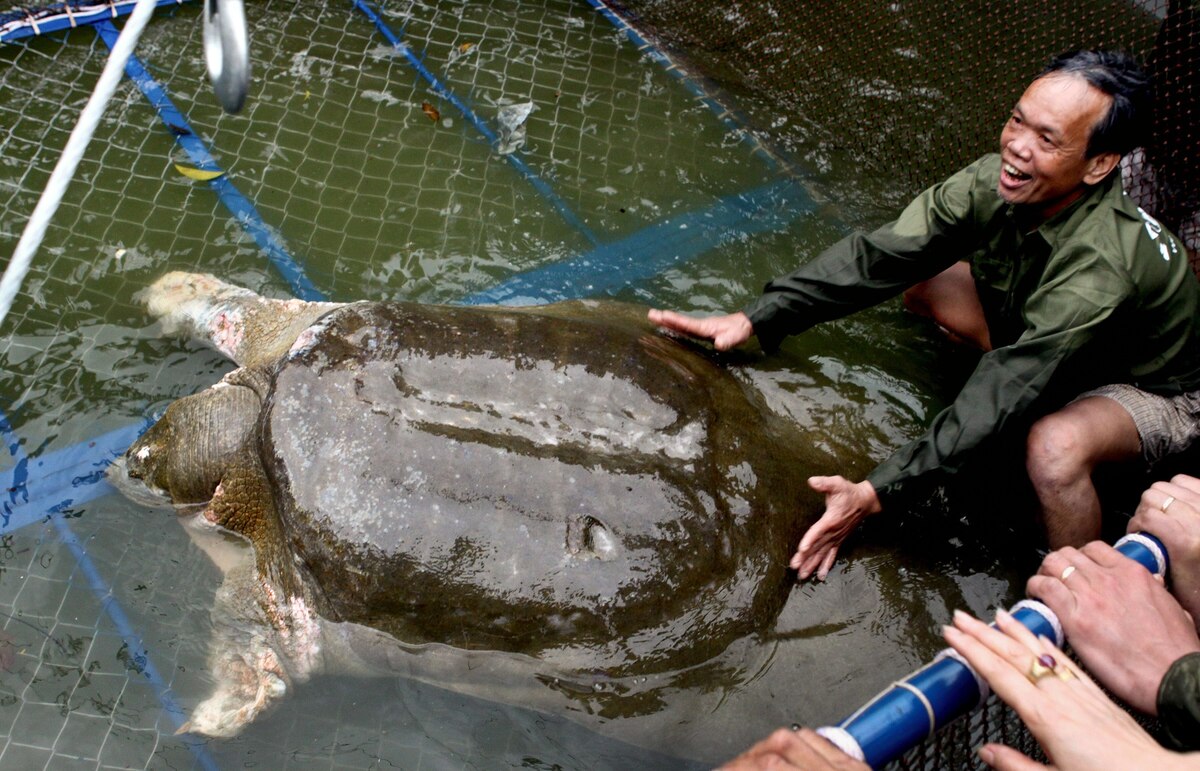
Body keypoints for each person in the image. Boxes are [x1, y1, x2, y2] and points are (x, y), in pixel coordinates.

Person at [649, 49, 1200, 581]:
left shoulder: (1102, 263)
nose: (1017, 147)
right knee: (923, 284)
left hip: (1156, 390)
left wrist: (876, 492)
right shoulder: (997, 179)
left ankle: (1086, 589)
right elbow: (881, 256)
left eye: (1047, 140)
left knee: (1052, 448)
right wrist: (757, 317)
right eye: (1017, 121)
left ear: (1100, 164)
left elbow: (1008, 383)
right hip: (1059, 330)